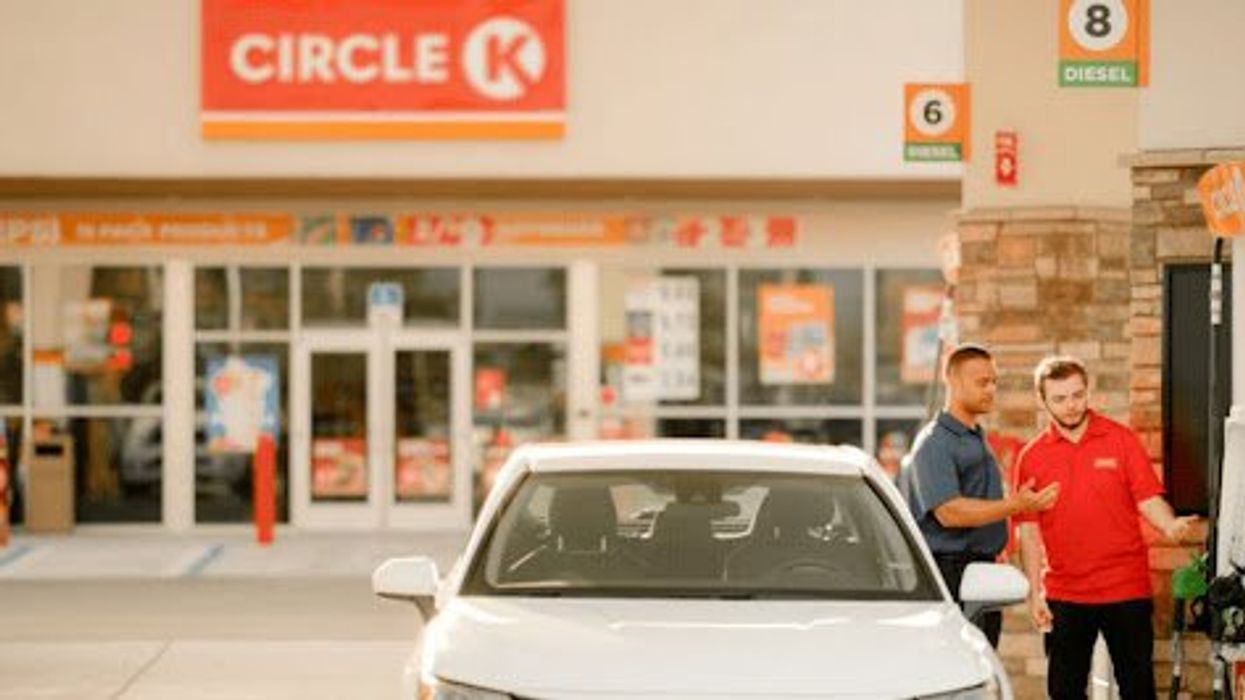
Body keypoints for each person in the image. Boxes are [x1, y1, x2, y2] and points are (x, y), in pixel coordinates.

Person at [1015, 355, 1195, 699]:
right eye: (1060, 398)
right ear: (1043, 401)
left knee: (1138, 690)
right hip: (1066, 593)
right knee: (1064, 692)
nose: (1071, 406)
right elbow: (1029, 530)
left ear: (1087, 391)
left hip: (1125, 587)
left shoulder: (1121, 440)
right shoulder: (1032, 457)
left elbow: (1147, 498)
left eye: (1077, 395)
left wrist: (1169, 524)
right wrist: (1035, 593)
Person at [898, 343, 1059, 647]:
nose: (991, 389)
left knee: (984, 663)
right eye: (982, 382)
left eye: (994, 381)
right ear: (953, 381)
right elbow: (949, 512)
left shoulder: (974, 436)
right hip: (951, 574)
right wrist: (1016, 504)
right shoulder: (935, 443)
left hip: (979, 571)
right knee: (958, 666)